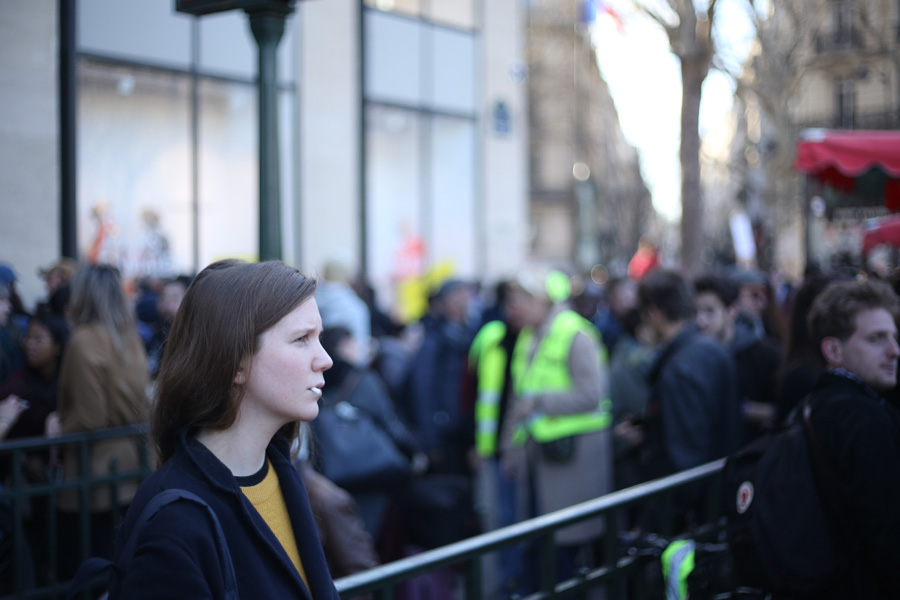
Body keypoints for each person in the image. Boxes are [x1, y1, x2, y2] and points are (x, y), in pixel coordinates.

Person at [113, 259, 339, 599]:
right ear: (235, 361)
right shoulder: (174, 519)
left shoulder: (280, 471)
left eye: (318, 337)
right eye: (301, 339)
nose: (325, 359)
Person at [500, 267, 613, 589]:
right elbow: (516, 399)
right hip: (538, 461)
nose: (512, 309)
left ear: (540, 300)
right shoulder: (528, 336)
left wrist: (541, 401)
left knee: (562, 559)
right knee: (538, 552)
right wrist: (509, 448)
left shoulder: (577, 334)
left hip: (571, 466)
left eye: (518, 300)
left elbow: (592, 394)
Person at [800, 278, 900, 599]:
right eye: (876, 339)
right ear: (833, 350)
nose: (894, 351)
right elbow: (885, 532)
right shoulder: (862, 416)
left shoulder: (819, 403)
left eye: (894, 337)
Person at [51, 265, 149, 577]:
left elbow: (89, 417)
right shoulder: (129, 336)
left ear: (82, 295)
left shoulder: (83, 339)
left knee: (83, 573)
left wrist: (57, 431)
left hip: (92, 474)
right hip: (132, 466)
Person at [637, 270, 740, 526]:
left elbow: (685, 459)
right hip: (717, 502)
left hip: (696, 517)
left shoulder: (679, 369)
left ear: (654, 314)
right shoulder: (711, 349)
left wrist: (656, 520)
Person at [694, 274, 783, 441]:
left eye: (709, 311)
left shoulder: (765, 354)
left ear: (732, 311)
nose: (700, 320)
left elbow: (785, 409)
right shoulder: (693, 354)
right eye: (696, 312)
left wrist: (741, 409)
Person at [145, 275, 191, 379]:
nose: (167, 303)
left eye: (175, 298)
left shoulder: (192, 339)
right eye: (163, 297)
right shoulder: (156, 333)